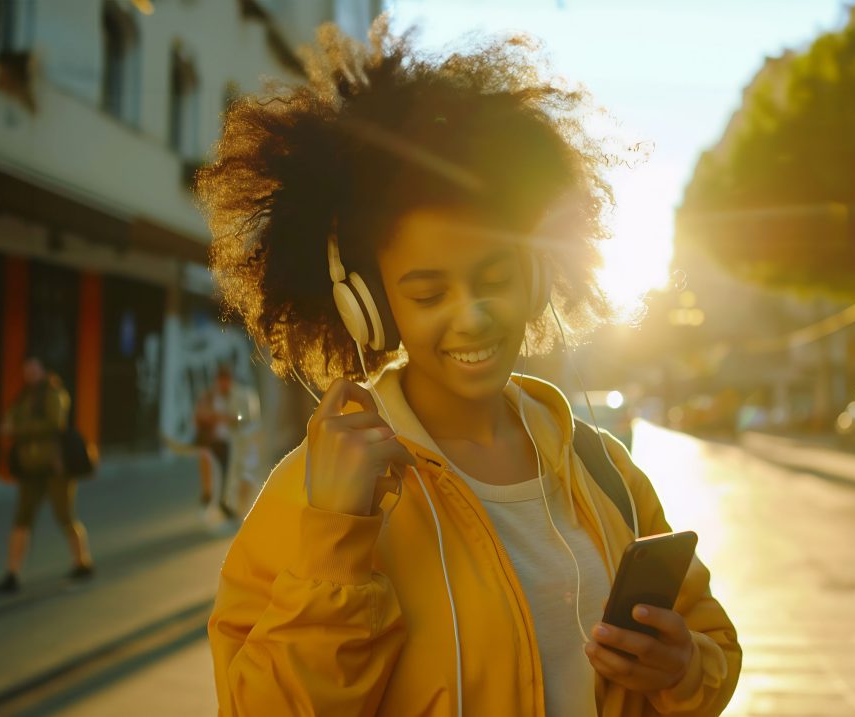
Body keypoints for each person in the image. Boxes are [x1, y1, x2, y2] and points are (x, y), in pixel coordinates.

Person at [197, 20, 741, 715]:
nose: (474, 317)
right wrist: (336, 534)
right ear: (368, 303)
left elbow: (710, 643)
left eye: (495, 279)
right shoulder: (313, 493)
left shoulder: (604, 470)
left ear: (539, 272)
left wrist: (685, 665)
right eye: (428, 293)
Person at [0, 357, 94, 595]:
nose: (30, 373)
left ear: (43, 370)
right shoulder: (24, 396)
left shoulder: (54, 392)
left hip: (56, 467)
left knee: (65, 516)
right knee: (21, 520)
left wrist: (18, 428)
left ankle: (82, 562)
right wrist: (14, 426)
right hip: (29, 468)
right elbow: (7, 422)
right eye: (26, 370)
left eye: (34, 369)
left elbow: (54, 422)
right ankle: (12, 574)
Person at [193, 363, 263, 518]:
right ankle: (210, 497)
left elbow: (243, 418)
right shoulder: (210, 396)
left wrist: (226, 418)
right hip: (213, 441)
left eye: (226, 380)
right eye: (221, 380)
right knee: (209, 462)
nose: (223, 384)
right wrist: (210, 417)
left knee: (232, 473)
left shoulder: (239, 396)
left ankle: (227, 504)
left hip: (231, 441)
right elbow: (200, 415)